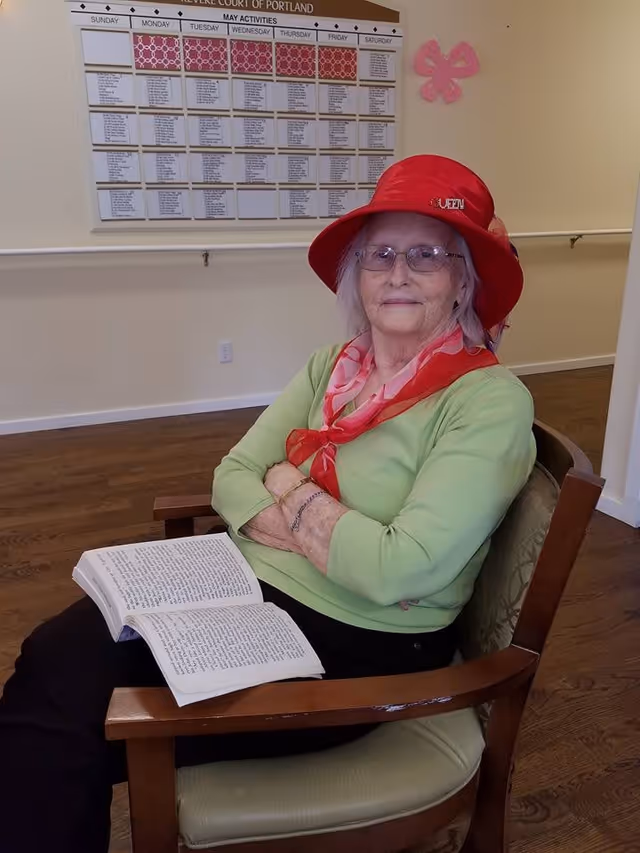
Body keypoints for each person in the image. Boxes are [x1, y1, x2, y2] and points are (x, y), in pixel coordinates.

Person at [0, 155, 535, 853]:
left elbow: (394, 568)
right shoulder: (332, 365)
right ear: (357, 274)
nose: (398, 273)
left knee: (67, 724)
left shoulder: (488, 400)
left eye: (427, 254)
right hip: (248, 584)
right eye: (380, 255)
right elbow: (231, 474)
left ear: (464, 279)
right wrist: (317, 522)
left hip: (359, 641)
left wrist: (287, 484)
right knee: (51, 657)